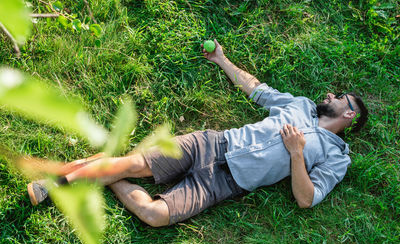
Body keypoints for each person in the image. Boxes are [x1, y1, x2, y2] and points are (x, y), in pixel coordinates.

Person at [27, 39, 368, 227]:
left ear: (349, 113)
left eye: (338, 98)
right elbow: (254, 88)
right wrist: (221, 59)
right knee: (134, 167)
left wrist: (296, 153)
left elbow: (306, 200)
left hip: (225, 183)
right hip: (211, 144)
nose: (329, 95)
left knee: (156, 216)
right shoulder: (299, 104)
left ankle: (106, 166)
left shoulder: (336, 157)